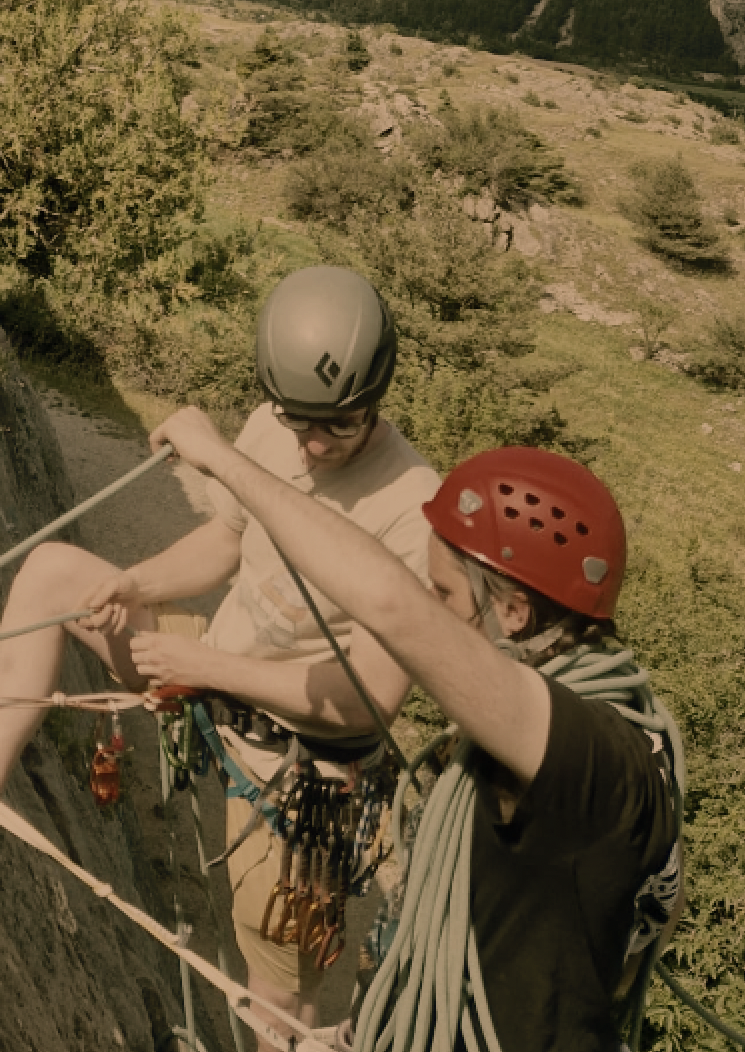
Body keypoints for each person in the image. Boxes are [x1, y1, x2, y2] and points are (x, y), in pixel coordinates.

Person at [0, 265, 438, 1032]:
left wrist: (205, 667)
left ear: (377, 400)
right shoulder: (274, 427)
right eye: (301, 421)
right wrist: (136, 583)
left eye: (339, 425)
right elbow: (230, 540)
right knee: (53, 574)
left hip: (301, 762)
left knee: (279, 1006)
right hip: (210, 675)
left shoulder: (415, 508)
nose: (314, 444)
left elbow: (369, 695)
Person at [148, 423, 680, 1052]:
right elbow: (657, 914)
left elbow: (390, 605)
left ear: (512, 611)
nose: (431, 604)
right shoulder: (635, 732)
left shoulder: (588, 755)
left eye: (445, 594)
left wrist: (220, 459)